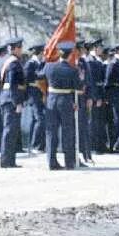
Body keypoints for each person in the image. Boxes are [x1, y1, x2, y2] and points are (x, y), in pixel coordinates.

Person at [43, 41, 82, 170]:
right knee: (67, 131)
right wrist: (81, 77)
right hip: (65, 102)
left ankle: (51, 161)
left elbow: (38, 77)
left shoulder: (49, 67)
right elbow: (79, 87)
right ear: (70, 55)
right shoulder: (72, 70)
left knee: (51, 132)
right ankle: (69, 162)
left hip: (51, 100)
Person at [0, 38, 26, 168]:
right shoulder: (14, 63)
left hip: (4, 97)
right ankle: (6, 161)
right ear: (15, 49)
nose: (21, 51)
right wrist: (17, 102)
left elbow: (1, 82)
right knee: (10, 131)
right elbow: (13, 83)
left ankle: (10, 160)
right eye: (20, 48)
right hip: (11, 100)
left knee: (10, 130)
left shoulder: (3, 61)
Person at [24, 44, 46, 153]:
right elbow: (26, 81)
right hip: (33, 94)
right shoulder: (30, 64)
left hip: (40, 93)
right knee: (40, 119)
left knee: (35, 120)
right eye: (43, 53)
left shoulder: (41, 63)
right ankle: (37, 145)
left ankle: (34, 144)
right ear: (40, 53)